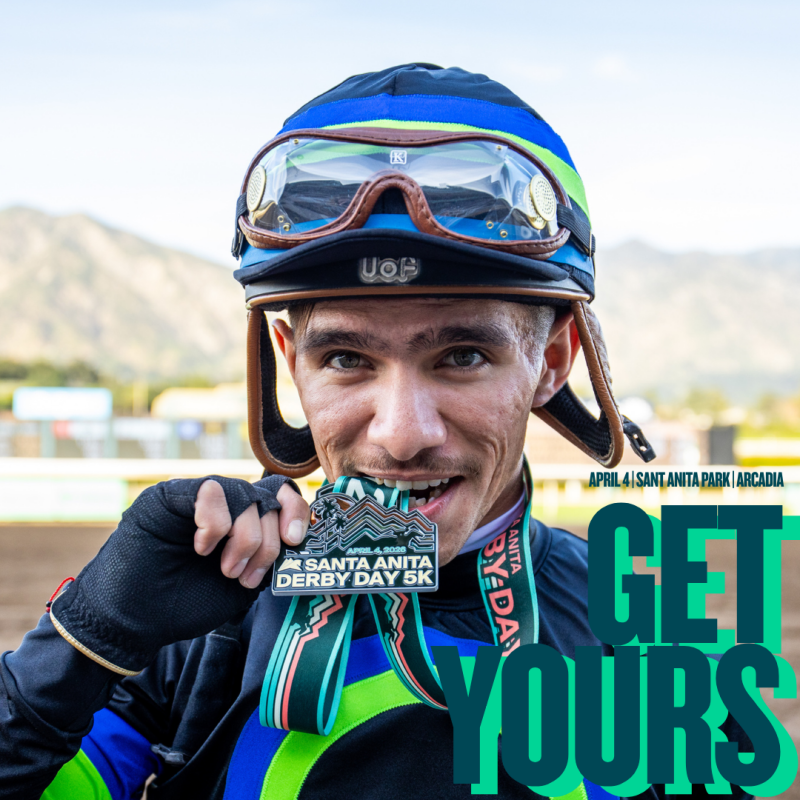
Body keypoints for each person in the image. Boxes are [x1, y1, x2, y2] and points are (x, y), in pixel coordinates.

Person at [0, 64, 749, 800]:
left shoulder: (653, 647)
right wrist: (88, 635)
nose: (401, 435)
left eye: (463, 356)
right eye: (347, 358)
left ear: (550, 362)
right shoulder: (189, 634)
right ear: (293, 365)